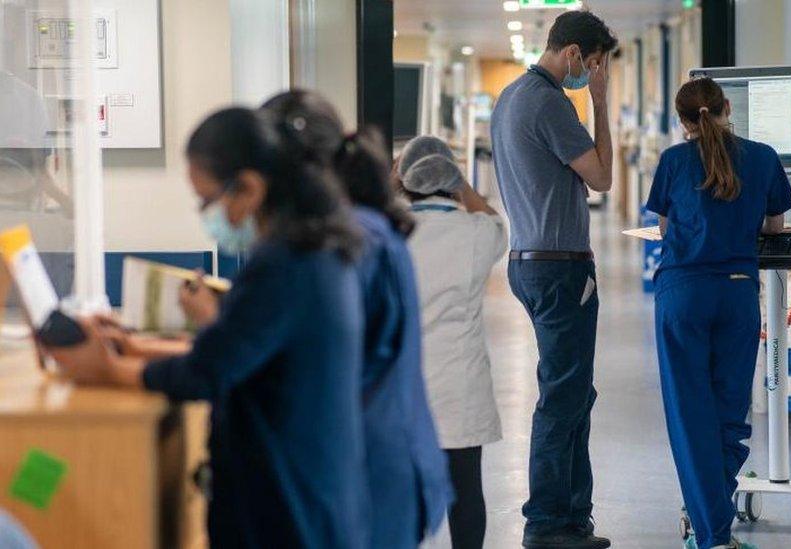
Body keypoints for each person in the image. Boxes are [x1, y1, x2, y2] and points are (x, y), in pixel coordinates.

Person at [44, 107, 370, 549]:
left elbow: (208, 371)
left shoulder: (285, 264)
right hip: (312, 487)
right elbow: (236, 350)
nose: (207, 214)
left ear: (250, 188)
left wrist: (109, 371)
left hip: (288, 502)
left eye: (207, 200)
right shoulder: (313, 249)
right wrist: (132, 348)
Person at [261, 90, 453, 549]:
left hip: (367, 473)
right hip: (390, 463)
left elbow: (320, 359)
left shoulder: (349, 244)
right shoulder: (371, 227)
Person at [646, 77, 791, 549]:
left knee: (690, 415)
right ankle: (713, 518)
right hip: (736, 295)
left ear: (683, 120)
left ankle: (711, 531)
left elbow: (666, 227)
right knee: (729, 413)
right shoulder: (765, 157)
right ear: (728, 107)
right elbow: (775, 226)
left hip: (683, 296)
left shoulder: (672, 161)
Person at [490, 9, 617, 549]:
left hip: (529, 259)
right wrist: (601, 102)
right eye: (592, 65)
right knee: (563, 399)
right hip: (560, 267)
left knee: (570, 394)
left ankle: (570, 516)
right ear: (572, 55)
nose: (591, 74)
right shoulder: (549, 101)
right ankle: (547, 522)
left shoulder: (511, 97)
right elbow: (604, 176)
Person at [395, 135, 507, 549]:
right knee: (465, 490)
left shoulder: (391, 234)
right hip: (460, 386)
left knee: (403, 494)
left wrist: (395, 184)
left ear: (405, 180)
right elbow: (495, 219)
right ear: (454, 179)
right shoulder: (477, 232)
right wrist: (465, 186)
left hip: (405, 385)